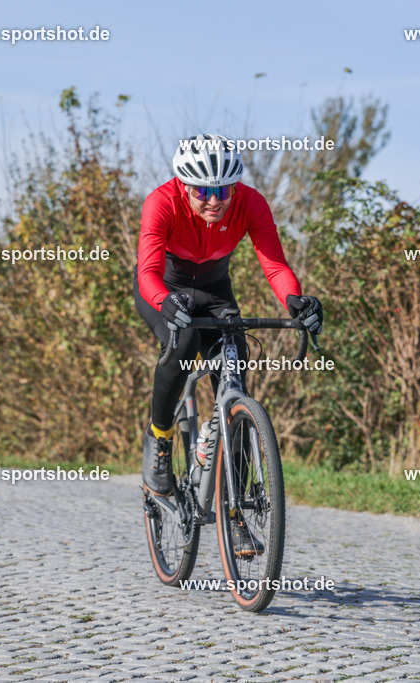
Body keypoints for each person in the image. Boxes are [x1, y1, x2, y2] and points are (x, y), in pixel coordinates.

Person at [133, 133, 323, 554]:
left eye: (223, 189)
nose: (214, 200)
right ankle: (161, 438)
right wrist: (165, 302)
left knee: (234, 379)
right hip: (165, 287)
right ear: (184, 184)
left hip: (216, 292)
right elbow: (147, 271)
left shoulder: (252, 204)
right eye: (203, 190)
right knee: (180, 347)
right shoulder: (160, 202)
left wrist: (294, 299)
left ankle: (235, 516)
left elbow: (274, 264)